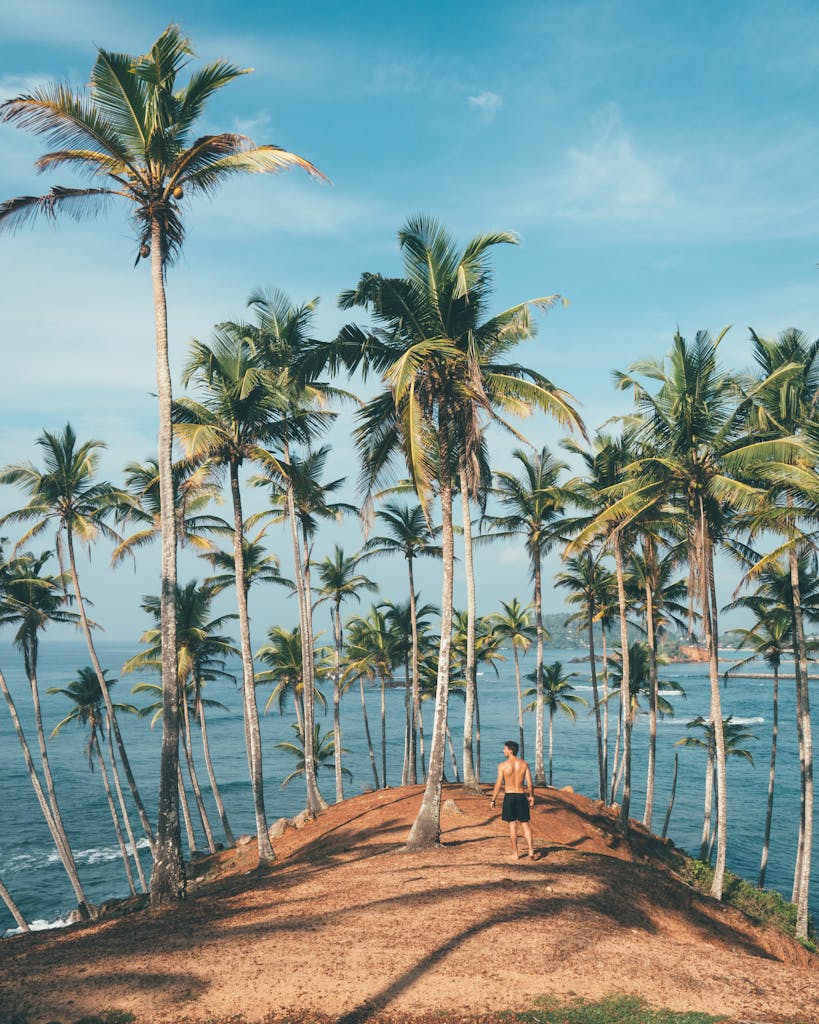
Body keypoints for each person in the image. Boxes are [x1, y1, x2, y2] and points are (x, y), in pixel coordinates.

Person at [490, 740, 537, 860]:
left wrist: (493, 799)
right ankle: (531, 850)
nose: (503, 751)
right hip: (521, 796)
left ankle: (515, 854)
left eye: (505, 749)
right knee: (525, 824)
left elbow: (498, 784)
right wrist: (531, 796)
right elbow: (530, 783)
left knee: (512, 825)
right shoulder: (524, 764)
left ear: (510, 751)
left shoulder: (502, 766)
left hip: (509, 797)